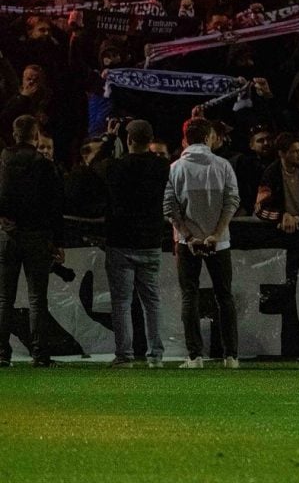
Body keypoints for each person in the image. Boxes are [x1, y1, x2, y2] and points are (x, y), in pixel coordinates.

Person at [163, 117, 240, 369]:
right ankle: (231, 356)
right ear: (209, 137)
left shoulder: (175, 168)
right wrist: (217, 234)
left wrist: (188, 236)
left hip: (187, 244)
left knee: (190, 296)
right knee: (224, 297)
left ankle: (195, 356)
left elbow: (170, 208)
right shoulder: (223, 166)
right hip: (220, 242)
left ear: (185, 139)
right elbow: (232, 201)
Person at [97, 119, 169, 368]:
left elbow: (91, 167)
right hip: (150, 241)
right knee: (152, 301)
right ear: (150, 140)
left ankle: (124, 354)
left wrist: (107, 140)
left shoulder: (116, 167)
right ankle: (156, 353)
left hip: (120, 241)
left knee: (121, 302)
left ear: (128, 140)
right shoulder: (162, 167)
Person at [0, 114, 64, 367]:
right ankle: (40, 354)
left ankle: (2, 354)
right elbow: (54, 205)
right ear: (35, 135)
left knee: (5, 298)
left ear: (15, 133)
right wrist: (58, 241)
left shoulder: (3, 159)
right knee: (37, 297)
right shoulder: (43, 164)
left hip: (8, 235)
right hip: (37, 236)